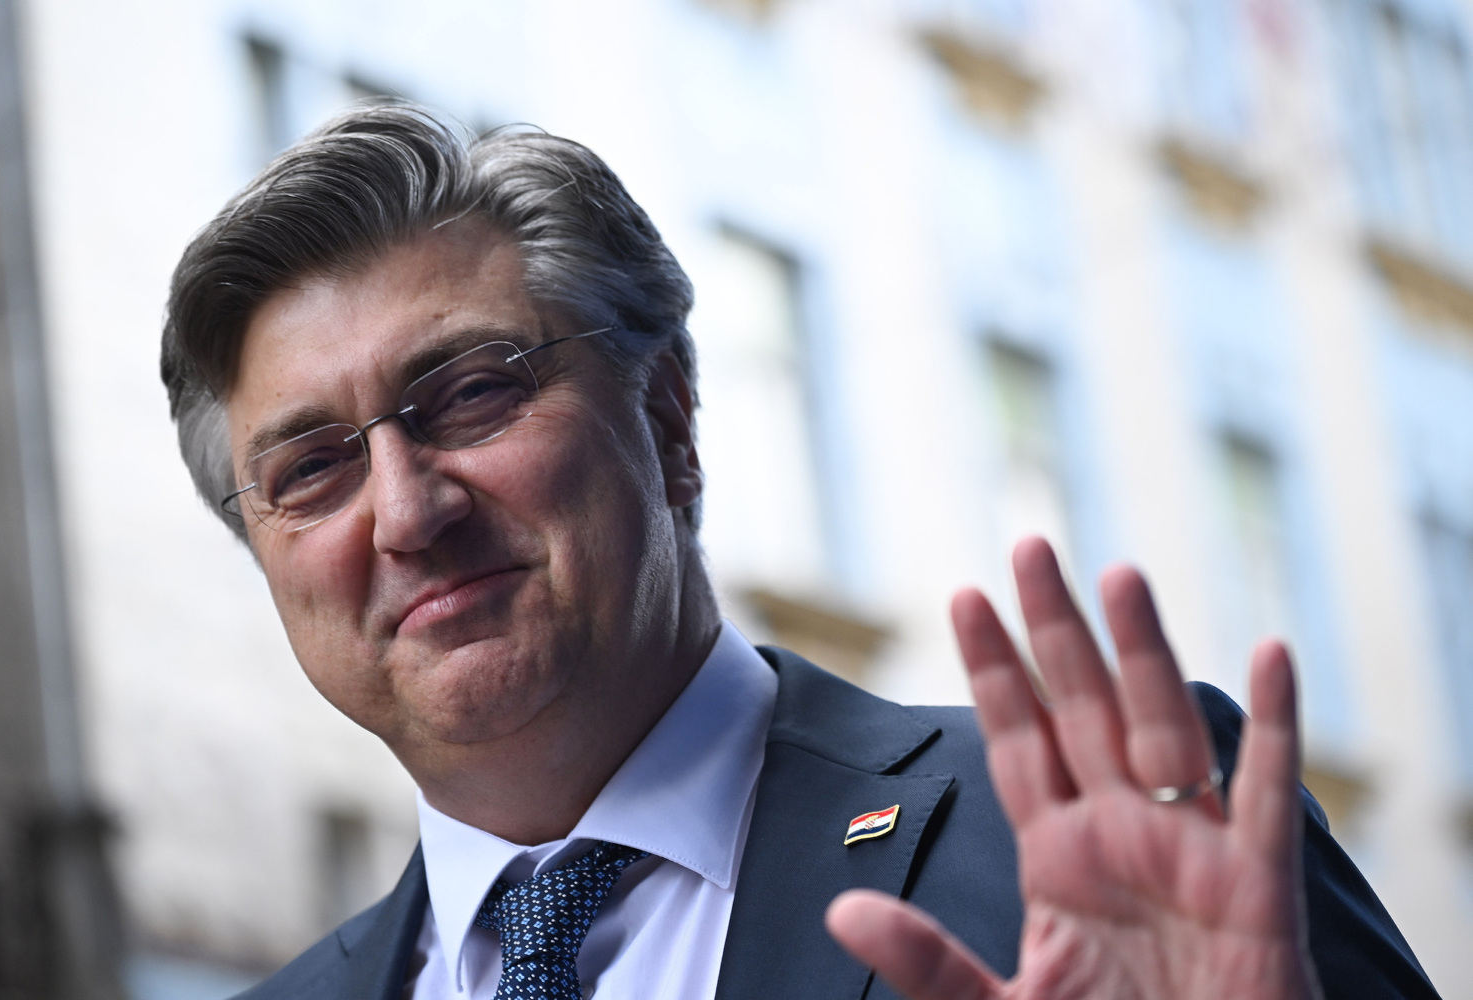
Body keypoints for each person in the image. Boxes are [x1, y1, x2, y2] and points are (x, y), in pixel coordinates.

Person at [160, 103, 1438, 1000]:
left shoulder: (1111, 837)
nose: (405, 510)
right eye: (311, 469)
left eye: (475, 393)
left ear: (668, 420)